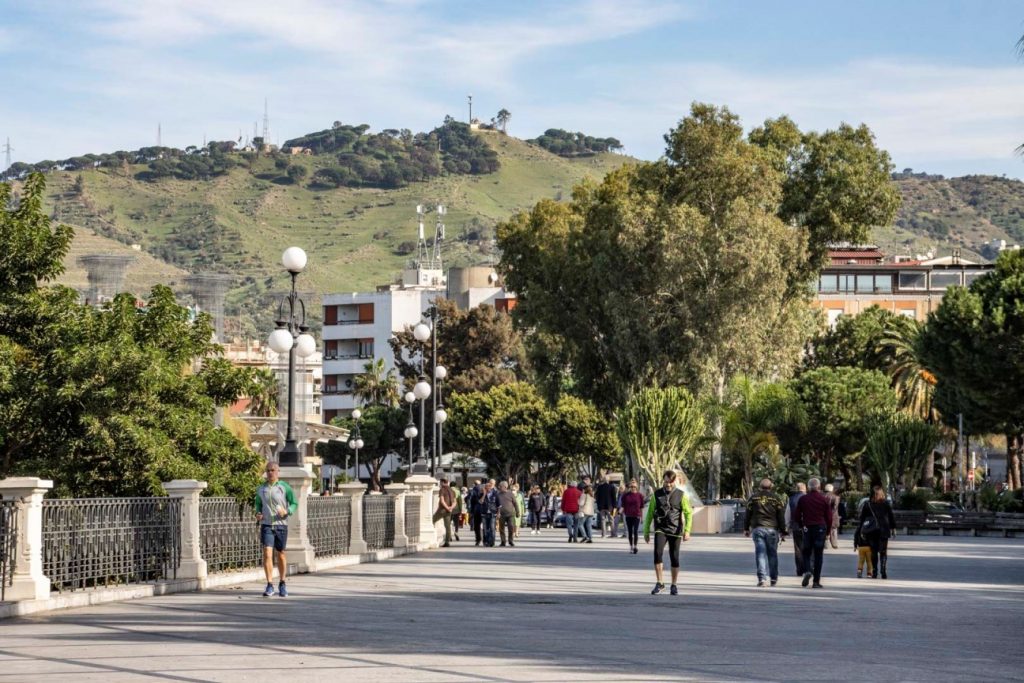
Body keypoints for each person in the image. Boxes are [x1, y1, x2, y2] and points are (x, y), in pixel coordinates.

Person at [643, 470, 693, 595]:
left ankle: (674, 584)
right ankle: (660, 583)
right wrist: (646, 531)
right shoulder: (657, 494)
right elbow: (649, 513)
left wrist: (687, 531)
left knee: (674, 557)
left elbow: (688, 513)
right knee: (657, 554)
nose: (668, 484)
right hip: (660, 528)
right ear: (663, 481)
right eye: (666, 482)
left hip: (675, 530)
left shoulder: (681, 495)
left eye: (670, 482)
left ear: (674, 481)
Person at [254, 462, 297, 597]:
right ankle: (269, 585)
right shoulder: (261, 489)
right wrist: (258, 514)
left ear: (278, 471)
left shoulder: (284, 487)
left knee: (281, 554)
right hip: (267, 525)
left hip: (281, 524)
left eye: (272, 470)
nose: (270, 473)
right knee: (267, 553)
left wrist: (287, 511)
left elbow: (294, 503)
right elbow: (258, 505)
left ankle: (282, 582)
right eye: (268, 471)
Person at [744, 478, 788, 587]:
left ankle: (762, 579)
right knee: (772, 554)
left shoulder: (753, 498)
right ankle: (773, 578)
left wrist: (746, 528)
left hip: (758, 528)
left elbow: (747, 514)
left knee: (760, 554)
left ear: (760, 487)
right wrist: (783, 531)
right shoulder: (776, 499)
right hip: (772, 530)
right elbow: (781, 516)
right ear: (771, 487)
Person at [794, 478, 833, 588]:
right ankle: (816, 581)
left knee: (806, 551)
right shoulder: (824, 499)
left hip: (808, 528)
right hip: (820, 528)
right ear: (819, 487)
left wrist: (802, 525)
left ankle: (807, 570)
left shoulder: (803, 499)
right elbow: (829, 517)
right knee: (818, 555)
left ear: (808, 487)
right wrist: (828, 531)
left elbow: (796, 516)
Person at [860, 485, 897, 578]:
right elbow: (891, 517)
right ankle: (883, 571)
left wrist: (862, 530)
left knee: (873, 552)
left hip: (872, 531)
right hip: (884, 530)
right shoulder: (886, 504)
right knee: (883, 552)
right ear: (882, 494)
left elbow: (862, 519)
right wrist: (893, 528)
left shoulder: (867, 504)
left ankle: (875, 572)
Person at [786, 482, 807, 576]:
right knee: (809, 548)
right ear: (805, 488)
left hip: (796, 527)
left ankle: (799, 570)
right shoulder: (808, 498)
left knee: (798, 549)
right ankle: (808, 568)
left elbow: (787, 513)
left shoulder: (791, 499)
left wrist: (787, 526)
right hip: (808, 526)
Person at [620, 479, 645, 554]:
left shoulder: (640, 495)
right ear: (629, 487)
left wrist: (642, 517)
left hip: (636, 515)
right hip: (628, 515)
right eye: (631, 486)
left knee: (635, 531)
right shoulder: (625, 496)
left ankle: (635, 546)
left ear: (636, 487)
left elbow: (641, 507)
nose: (633, 488)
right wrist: (618, 512)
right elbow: (623, 506)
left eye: (634, 486)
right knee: (630, 532)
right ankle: (631, 546)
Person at [433, 479, 456, 547]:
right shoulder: (452, 491)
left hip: (442, 510)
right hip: (449, 511)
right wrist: (451, 507)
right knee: (447, 526)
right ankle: (447, 541)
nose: (440, 484)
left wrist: (446, 507)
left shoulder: (442, 489)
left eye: (440, 483)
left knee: (432, 520)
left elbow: (442, 501)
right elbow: (455, 502)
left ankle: (431, 536)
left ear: (442, 483)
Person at [496, 481, 518, 547]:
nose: (499, 487)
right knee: (501, 529)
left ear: (505, 487)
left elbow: (515, 503)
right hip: (501, 514)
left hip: (510, 514)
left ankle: (511, 541)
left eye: (500, 486)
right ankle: (503, 541)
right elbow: (496, 504)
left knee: (511, 528)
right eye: (499, 486)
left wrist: (518, 512)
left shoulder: (511, 494)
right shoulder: (498, 494)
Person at [479, 479, 498, 547]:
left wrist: (498, 513)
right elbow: (480, 502)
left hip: (492, 513)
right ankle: (486, 541)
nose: (488, 488)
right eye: (486, 487)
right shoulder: (481, 494)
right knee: (485, 528)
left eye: (489, 487)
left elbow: (498, 504)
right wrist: (484, 494)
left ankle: (492, 542)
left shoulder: (495, 493)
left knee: (492, 528)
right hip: (484, 513)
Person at [824, 484, 841, 549]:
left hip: (824, 516)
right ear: (832, 489)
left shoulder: (822, 496)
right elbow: (835, 508)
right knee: (833, 530)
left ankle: (826, 545)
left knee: (825, 530)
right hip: (833, 516)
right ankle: (834, 544)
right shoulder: (836, 497)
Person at [469, 479, 484, 546]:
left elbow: (469, 499)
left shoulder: (473, 490)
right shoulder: (484, 489)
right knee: (485, 525)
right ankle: (485, 539)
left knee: (477, 525)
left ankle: (478, 539)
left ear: (474, 484)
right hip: (484, 509)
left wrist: (471, 510)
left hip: (476, 510)